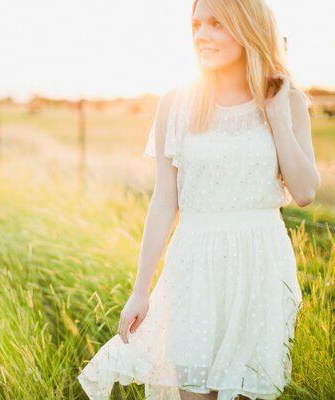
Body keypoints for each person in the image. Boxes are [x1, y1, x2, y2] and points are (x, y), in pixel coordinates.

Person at [78, 0, 320, 399]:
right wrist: (141, 290)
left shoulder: (287, 100)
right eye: (196, 25)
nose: (202, 35)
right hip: (194, 267)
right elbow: (164, 201)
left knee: (248, 390)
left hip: (260, 265)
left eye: (216, 24)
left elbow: (306, 192)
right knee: (192, 388)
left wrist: (276, 116)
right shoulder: (176, 103)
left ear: (247, 27)